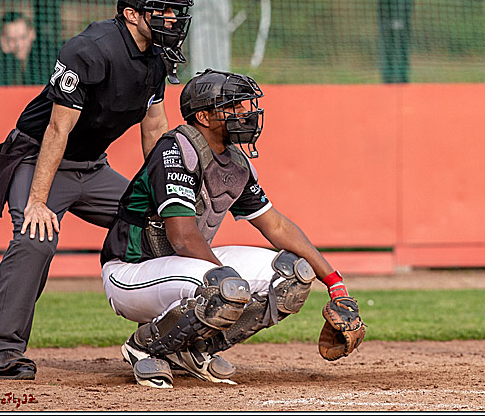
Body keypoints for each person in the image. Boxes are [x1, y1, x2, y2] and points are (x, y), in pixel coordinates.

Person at [0, 0, 194, 381]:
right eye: (161, 10)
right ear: (131, 15)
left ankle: (166, 342)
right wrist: (37, 201)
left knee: (160, 226)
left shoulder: (158, 57)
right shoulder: (90, 49)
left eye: (175, 11)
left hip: (92, 166)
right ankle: (0, 351)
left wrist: (162, 195)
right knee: (35, 238)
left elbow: (154, 127)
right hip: (39, 158)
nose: (172, 19)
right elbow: (57, 130)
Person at [100, 69, 366, 388]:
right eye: (232, 106)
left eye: (244, 104)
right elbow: (182, 238)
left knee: (293, 276)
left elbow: (277, 225)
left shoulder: (236, 162)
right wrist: (231, 286)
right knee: (227, 285)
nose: (245, 112)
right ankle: (144, 347)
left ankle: (193, 349)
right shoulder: (177, 150)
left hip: (184, 269)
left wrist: (335, 284)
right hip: (131, 272)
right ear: (204, 116)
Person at [0, 11, 50, 86]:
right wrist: (7, 55)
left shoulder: (45, 58)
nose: (18, 45)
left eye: (23, 37)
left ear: (32, 34)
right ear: (4, 40)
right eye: (12, 39)